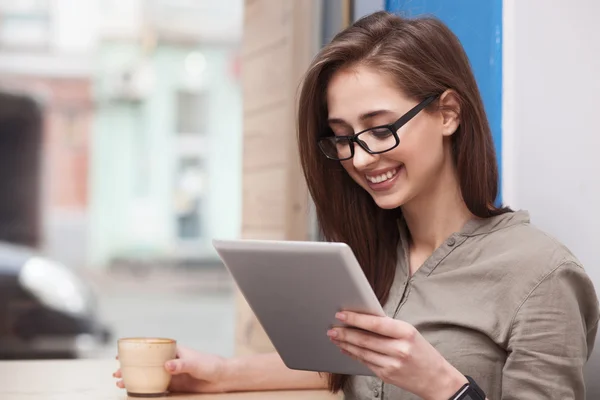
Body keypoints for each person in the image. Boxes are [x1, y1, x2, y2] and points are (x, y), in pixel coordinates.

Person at [113, 11, 599, 400]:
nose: (361, 158)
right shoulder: (371, 255)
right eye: (342, 138)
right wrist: (218, 374)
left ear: (448, 113)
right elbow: (354, 368)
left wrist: (445, 388)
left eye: (380, 127)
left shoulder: (542, 275)